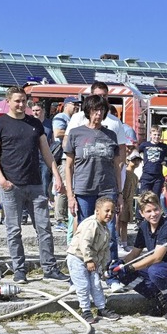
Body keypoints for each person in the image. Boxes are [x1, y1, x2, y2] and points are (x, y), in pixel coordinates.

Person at [0, 86, 68, 283]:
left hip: (35, 185)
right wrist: (1, 179)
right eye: (17, 100)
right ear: (8, 101)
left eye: (23, 100)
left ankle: (49, 268)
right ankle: (19, 270)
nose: (21, 104)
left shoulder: (34, 123)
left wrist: (56, 176)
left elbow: (46, 151)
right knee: (14, 230)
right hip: (11, 185)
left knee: (44, 228)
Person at [66, 81, 127, 266]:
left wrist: (120, 194)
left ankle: (111, 271)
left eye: (102, 110)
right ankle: (83, 268)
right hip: (84, 189)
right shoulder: (76, 132)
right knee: (86, 230)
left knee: (109, 231)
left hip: (107, 188)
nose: (98, 114)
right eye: (95, 110)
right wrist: (70, 195)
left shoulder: (111, 134)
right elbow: (68, 166)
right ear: (88, 111)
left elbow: (118, 165)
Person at [114, 191, 167, 320]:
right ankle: (160, 300)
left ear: (160, 208)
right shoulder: (144, 226)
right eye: (148, 211)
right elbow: (134, 253)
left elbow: (157, 257)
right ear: (141, 213)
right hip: (158, 269)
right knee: (123, 273)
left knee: (155, 271)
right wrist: (119, 265)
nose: (153, 214)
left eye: (156, 209)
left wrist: (131, 267)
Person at [66, 196, 121, 323]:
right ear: (97, 211)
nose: (110, 214)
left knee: (96, 285)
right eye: (106, 211)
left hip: (93, 261)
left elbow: (105, 250)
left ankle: (102, 308)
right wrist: (89, 260)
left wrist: (104, 265)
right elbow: (85, 243)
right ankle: (85, 310)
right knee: (83, 285)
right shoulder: (91, 224)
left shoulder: (105, 228)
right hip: (78, 258)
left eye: (112, 212)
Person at [52, 96, 80, 232]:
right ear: (66, 105)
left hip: (73, 157)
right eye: (74, 104)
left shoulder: (75, 118)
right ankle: (59, 219)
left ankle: (66, 217)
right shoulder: (60, 117)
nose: (76, 107)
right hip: (63, 158)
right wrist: (73, 133)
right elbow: (57, 133)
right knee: (63, 188)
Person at [138, 125, 167, 198]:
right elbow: (136, 152)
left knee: (155, 198)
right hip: (146, 175)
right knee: (143, 198)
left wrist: (166, 162)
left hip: (158, 176)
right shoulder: (145, 145)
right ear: (150, 135)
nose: (157, 137)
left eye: (159, 135)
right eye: (155, 135)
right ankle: (140, 210)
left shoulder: (163, 146)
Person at [119, 150, 142, 251]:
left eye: (138, 160)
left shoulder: (135, 176)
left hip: (129, 202)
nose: (136, 162)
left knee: (125, 223)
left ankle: (124, 243)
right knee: (119, 223)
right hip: (122, 200)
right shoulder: (124, 173)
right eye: (134, 160)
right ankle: (118, 242)